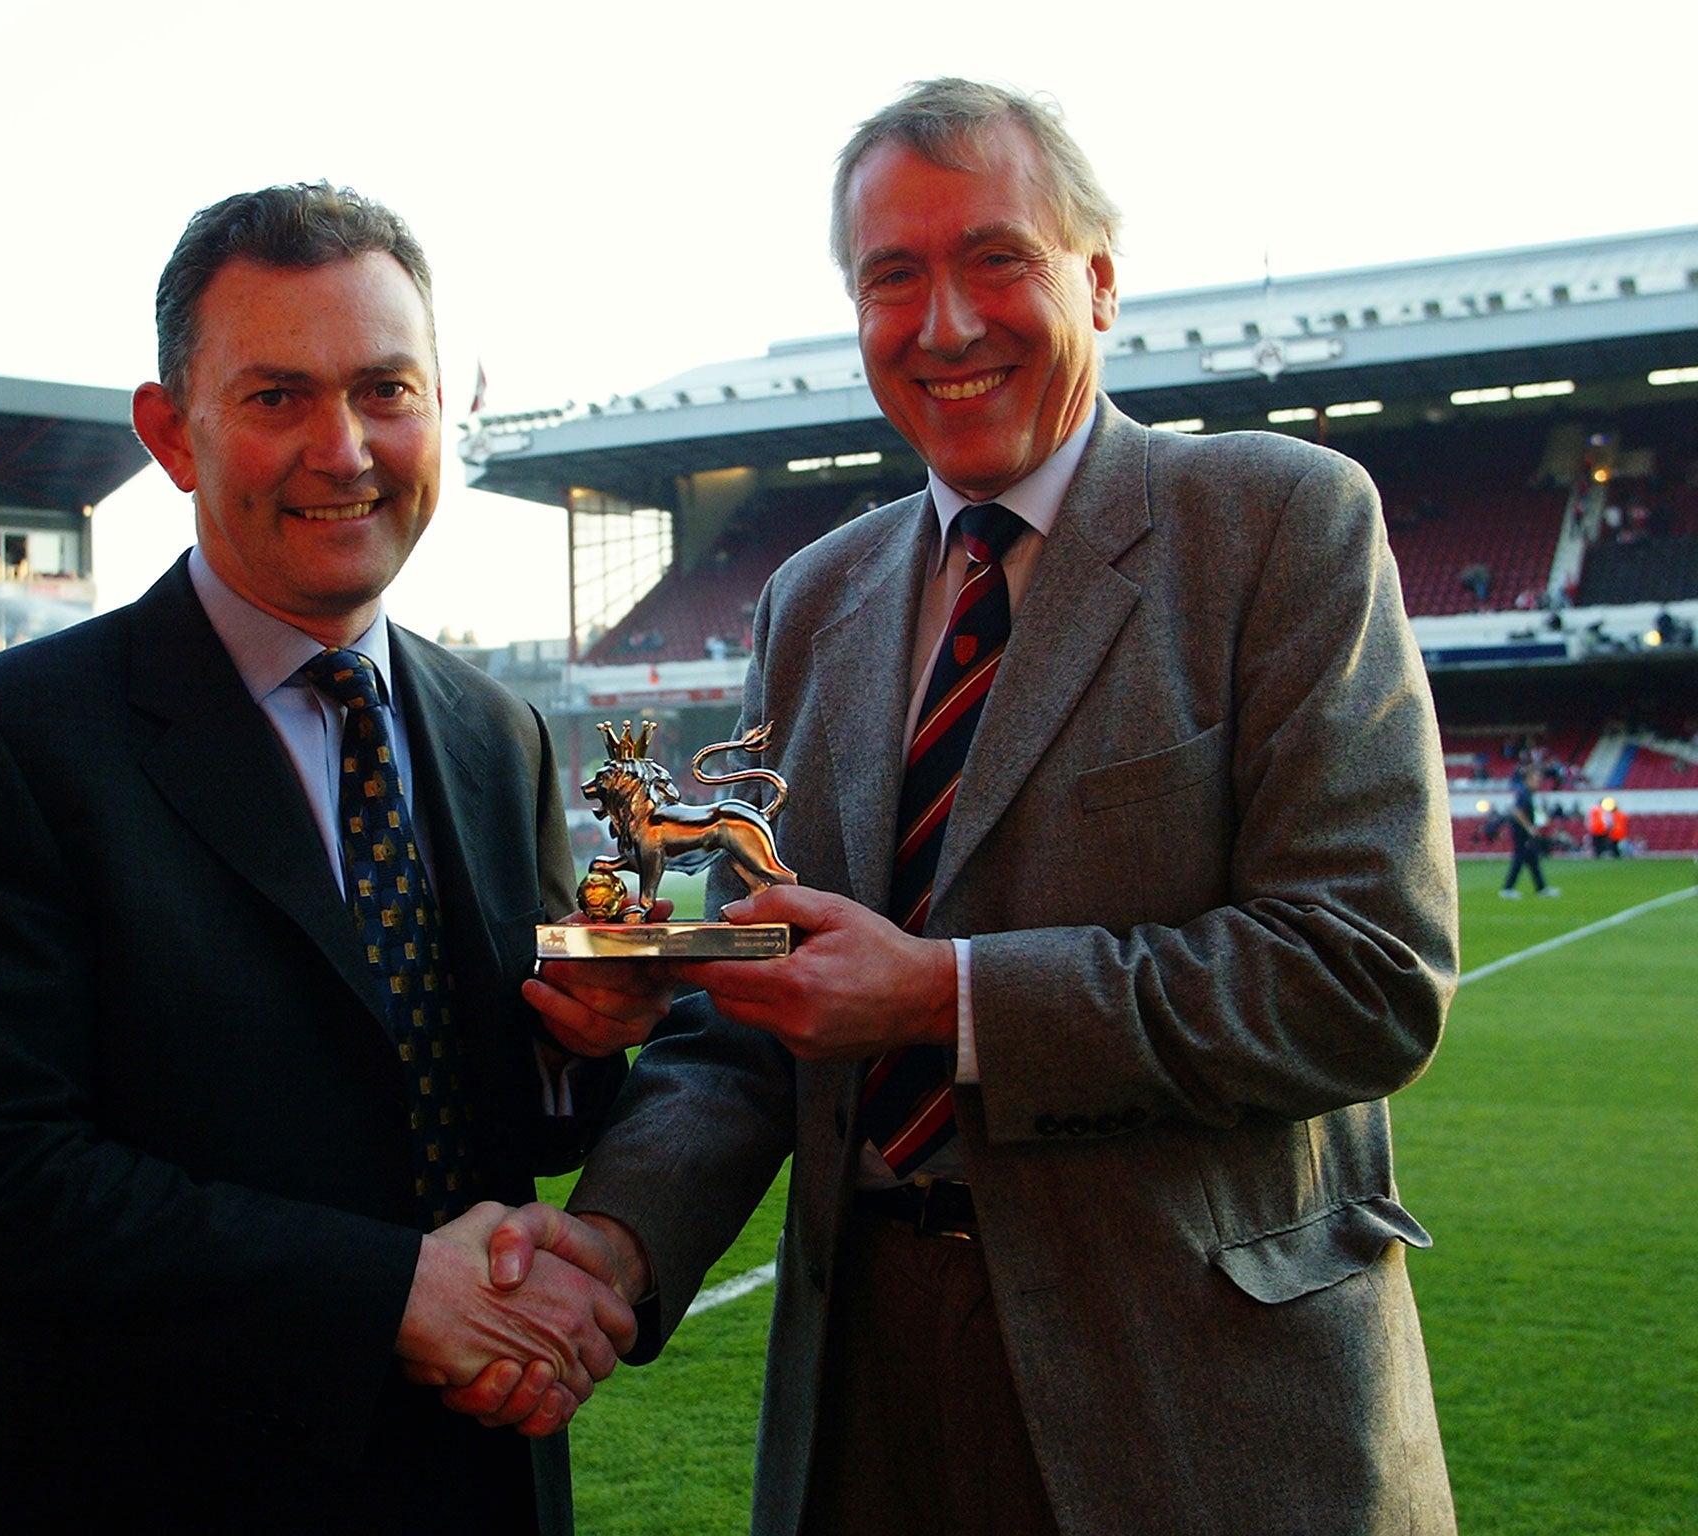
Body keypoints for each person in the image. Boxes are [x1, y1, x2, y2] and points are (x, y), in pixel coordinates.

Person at [498, 78, 1461, 1534]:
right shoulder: (813, 599)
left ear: (1100, 280)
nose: (945, 324)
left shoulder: (1279, 522)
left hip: (1195, 1403)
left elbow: (1364, 978)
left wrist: (943, 1002)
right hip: (870, 1397)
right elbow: (750, 1013)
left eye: (997, 259)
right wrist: (613, 1248)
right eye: (895, 277)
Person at [0, 182, 637, 1536]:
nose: (344, 449)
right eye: (278, 396)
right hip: (144, 1492)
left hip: (471, 1486)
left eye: (386, 390)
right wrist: (392, 1292)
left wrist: (583, 1043)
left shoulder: (493, 733)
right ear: (172, 434)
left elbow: (501, 1125)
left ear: (444, 406)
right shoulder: (4, 739)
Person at [1500, 768, 1560, 897]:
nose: (1538, 782)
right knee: (1520, 858)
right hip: (1521, 831)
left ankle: (1541, 888)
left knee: (1532, 859)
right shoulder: (1524, 793)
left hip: (1525, 831)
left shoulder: (1530, 794)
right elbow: (1517, 811)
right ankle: (1507, 888)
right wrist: (1529, 827)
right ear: (1528, 780)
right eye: (1535, 779)